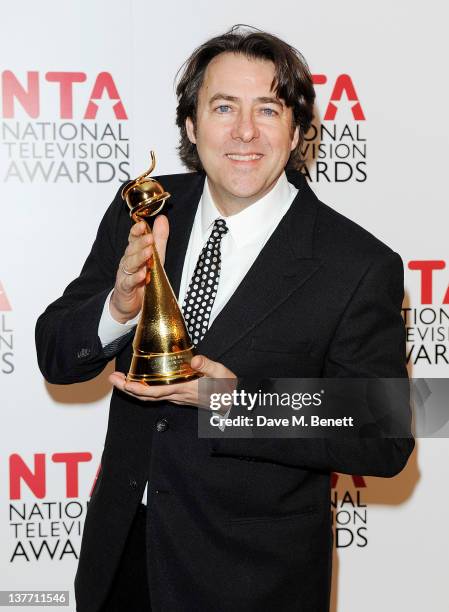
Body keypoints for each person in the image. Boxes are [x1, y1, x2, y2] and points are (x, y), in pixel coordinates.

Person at [36, 26, 414, 612]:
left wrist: (235, 402)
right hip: (122, 560)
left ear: (296, 131)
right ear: (191, 126)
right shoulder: (143, 207)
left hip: (251, 580)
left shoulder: (358, 264)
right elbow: (56, 355)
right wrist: (118, 307)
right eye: (223, 107)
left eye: (268, 108)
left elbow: (386, 435)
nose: (244, 132)